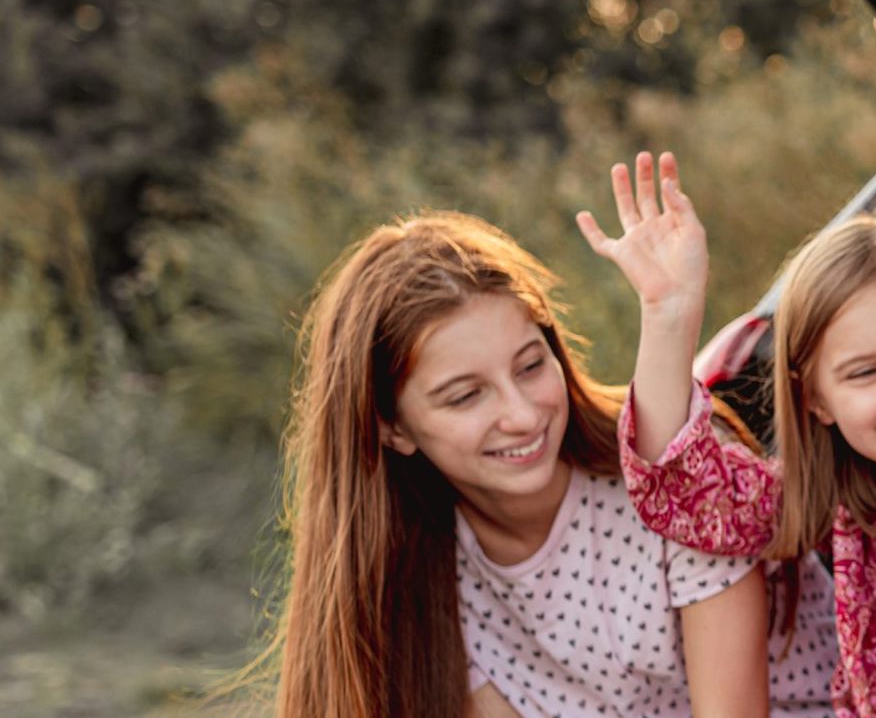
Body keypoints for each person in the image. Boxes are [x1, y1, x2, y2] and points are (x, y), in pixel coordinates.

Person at [261, 211, 835, 717]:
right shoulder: (416, 572)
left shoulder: (677, 476)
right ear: (392, 427)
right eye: (466, 396)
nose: (521, 414)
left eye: (531, 366)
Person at [584, 152, 876, 716]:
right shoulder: (828, 501)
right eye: (865, 372)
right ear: (816, 400)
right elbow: (680, 490)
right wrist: (667, 314)